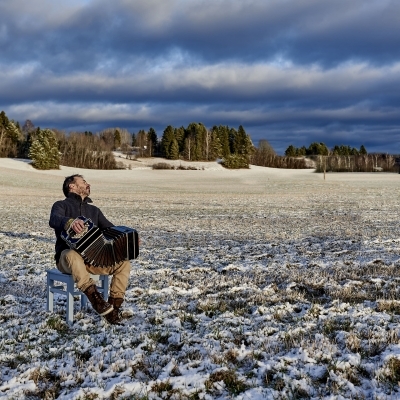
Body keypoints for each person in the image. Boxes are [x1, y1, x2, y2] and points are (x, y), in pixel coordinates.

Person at [49, 174, 131, 325]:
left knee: (123, 263)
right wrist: (70, 222)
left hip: (92, 260)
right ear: (71, 186)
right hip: (67, 259)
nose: (88, 184)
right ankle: (96, 300)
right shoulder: (61, 205)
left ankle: (114, 309)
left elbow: (111, 229)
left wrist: (128, 237)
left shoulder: (94, 210)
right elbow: (54, 219)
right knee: (72, 254)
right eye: (84, 182)